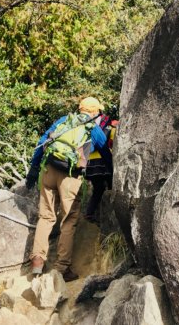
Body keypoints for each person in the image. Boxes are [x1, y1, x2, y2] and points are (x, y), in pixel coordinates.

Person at [25, 97, 113, 282]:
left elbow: (42, 141)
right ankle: (62, 269)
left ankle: (37, 261)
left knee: (46, 216)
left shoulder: (64, 121)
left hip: (48, 170)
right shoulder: (93, 129)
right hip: (70, 176)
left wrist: (33, 170)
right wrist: (111, 176)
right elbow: (105, 151)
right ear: (95, 112)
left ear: (80, 109)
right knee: (68, 219)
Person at [83, 114, 117, 224]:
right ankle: (113, 213)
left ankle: (90, 212)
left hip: (90, 165)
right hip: (104, 163)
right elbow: (112, 145)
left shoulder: (89, 130)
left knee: (98, 189)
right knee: (112, 187)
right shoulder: (111, 129)